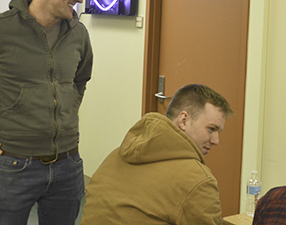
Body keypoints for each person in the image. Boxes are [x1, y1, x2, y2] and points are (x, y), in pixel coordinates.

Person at [0, 0, 104, 225]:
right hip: (12, 165)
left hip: (68, 164)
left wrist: (67, 108)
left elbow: (80, 79)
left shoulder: (78, 33)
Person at [81, 83, 234, 225]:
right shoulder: (198, 181)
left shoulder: (117, 155)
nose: (216, 140)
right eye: (211, 129)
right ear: (184, 120)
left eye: (218, 132)